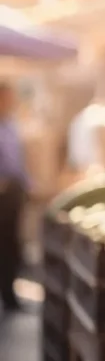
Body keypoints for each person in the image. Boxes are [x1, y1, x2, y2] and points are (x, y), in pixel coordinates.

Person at [0, 83, 28, 312]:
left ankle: (9, 295)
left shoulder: (10, 126)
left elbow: (17, 163)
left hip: (13, 192)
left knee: (11, 246)